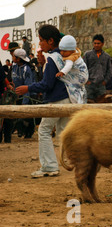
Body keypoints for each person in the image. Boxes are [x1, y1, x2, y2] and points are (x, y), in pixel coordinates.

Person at [15, 24, 71, 178]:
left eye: (41, 40)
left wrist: (28, 88)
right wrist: (42, 65)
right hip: (68, 99)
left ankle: (49, 166)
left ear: (51, 41)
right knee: (62, 133)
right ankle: (76, 161)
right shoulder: (64, 54)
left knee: (44, 130)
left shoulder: (53, 58)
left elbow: (47, 84)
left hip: (57, 101)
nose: (39, 44)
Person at [11, 49, 36, 138]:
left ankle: (28, 132)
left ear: (18, 59)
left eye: (14, 56)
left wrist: (24, 102)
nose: (12, 57)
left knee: (26, 115)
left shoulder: (27, 69)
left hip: (26, 95)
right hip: (17, 94)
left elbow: (27, 87)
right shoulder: (14, 65)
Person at [83, 34, 112, 102]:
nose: (96, 45)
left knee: (101, 103)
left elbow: (109, 70)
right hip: (89, 85)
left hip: (101, 86)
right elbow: (83, 68)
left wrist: (105, 81)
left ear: (102, 44)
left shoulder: (106, 56)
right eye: (95, 43)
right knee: (88, 103)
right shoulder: (87, 54)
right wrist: (87, 80)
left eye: (98, 43)